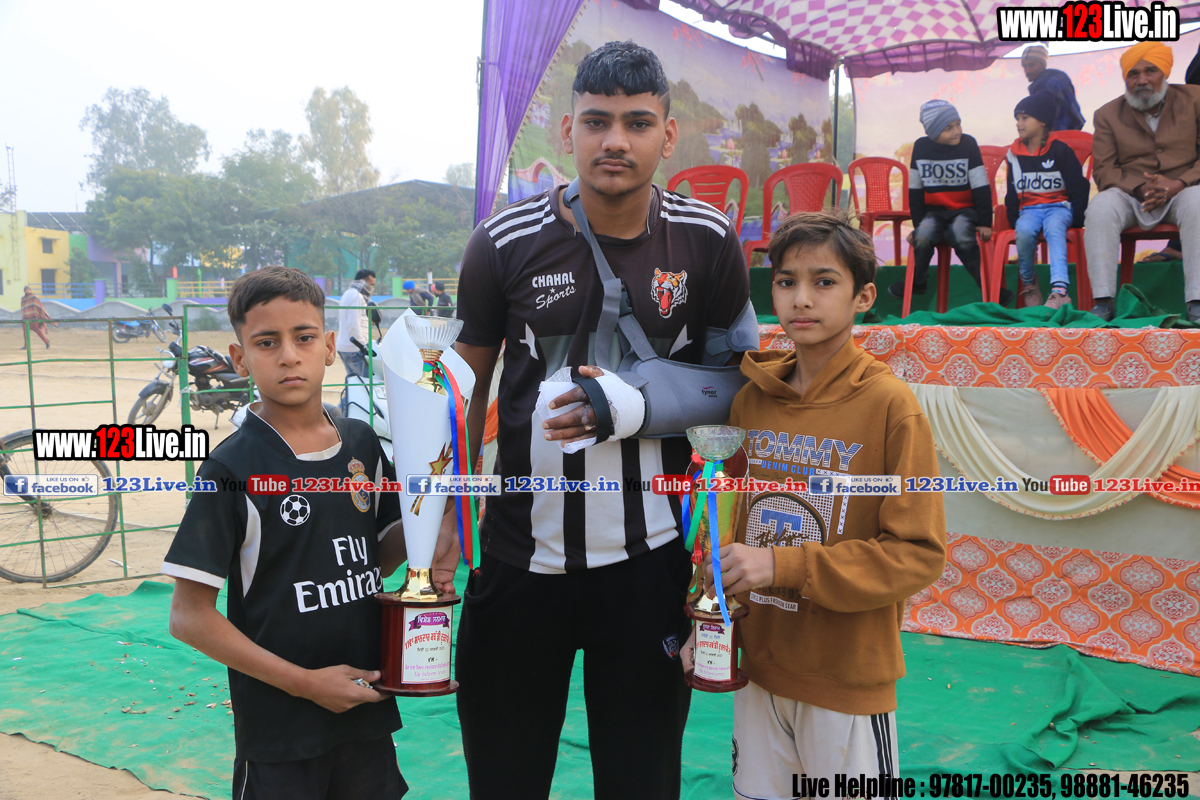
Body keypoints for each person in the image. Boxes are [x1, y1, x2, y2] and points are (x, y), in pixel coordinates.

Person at [448, 40, 754, 800]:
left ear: (668, 136)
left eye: (637, 123)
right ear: (568, 131)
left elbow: (738, 390)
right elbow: (464, 388)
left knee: (641, 782)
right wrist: (450, 515)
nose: (615, 140)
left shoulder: (708, 240)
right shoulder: (502, 241)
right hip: (518, 558)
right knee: (505, 781)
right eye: (596, 122)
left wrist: (639, 413)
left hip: (650, 561)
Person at [686, 210, 946, 797]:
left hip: (844, 678)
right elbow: (724, 529)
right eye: (786, 282)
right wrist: (707, 617)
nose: (801, 299)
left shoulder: (889, 406)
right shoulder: (751, 402)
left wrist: (782, 564)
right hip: (757, 669)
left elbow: (918, 554)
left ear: (864, 297)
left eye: (824, 282)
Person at [163, 267, 409, 800]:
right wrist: (307, 684)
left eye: (303, 337)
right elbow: (188, 616)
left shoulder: (361, 443)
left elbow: (377, 559)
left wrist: (436, 507)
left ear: (329, 347)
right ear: (240, 358)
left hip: (366, 704)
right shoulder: (231, 469)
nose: (289, 356)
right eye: (267, 342)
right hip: (281, 729)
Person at [1084, 41, 1200, 323]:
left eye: (1150, 71)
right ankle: (1103, 302)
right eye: (1133, 74)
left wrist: (1179, 183)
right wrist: (1139, 187)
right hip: (1131, 194)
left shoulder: (1195, 99)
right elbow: (1104, 170)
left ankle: (1197, 302)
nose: (1142, 80)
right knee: (1100, 206)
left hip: (1184, 189)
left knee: (1198, 202)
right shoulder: (1107, 114)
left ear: (1165, 73)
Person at [892, 100, 1010, 305]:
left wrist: (984, 222)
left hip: (965, 210)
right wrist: (918, 226)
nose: (957, 131)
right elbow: (915, 191)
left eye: (958, 124)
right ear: (933, 132)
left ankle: (991, 290)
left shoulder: (968, 144)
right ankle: (919, 281)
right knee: (924, 234)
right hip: (934, 212)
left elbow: (981, 186)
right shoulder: (921, 147)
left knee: (960, 233)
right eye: (948, 128)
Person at [1005, 91, 1089, 309]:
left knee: (1055, 229)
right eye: (1017, 118)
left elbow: (1079, 185)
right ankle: (1029, 284)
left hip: (1058, 207)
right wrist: (1014, 219)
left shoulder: (1060, 150)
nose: (1019, 123)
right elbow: (1012, 191)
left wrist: (1077, 218)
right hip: (1029, 210)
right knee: (1023, 231)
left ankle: (1060, 291)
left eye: (1025, 118)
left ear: (1042, 121)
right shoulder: (1013, 154)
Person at [1022, 45, 1086, 132]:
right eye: (1024, 67)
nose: (1027, 70)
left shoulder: (1054, 83)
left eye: (1031, 65)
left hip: (1061, 135)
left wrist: (1053, 137)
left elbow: (1063, 118)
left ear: (1042, 64)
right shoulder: (1037, 86)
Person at [335, 269, 376, 382]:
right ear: (363, 281)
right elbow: (353, 324)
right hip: (354, 348)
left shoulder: (348, 293)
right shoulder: (357, 296)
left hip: (345, 346)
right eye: (371, 284)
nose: (372, 288)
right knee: (365, 383)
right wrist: (363, 346)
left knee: (353, 382)